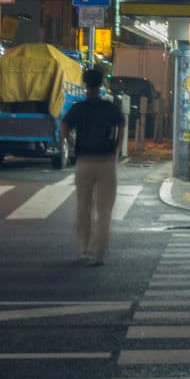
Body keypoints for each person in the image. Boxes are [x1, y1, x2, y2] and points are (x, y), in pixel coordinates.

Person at [60, 65, 125, 266]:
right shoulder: (110, 107)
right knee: (104, 209)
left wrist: (71, 144)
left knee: (83, 206)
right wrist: (115, 148)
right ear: (102, 84)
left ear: (85, 85)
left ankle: (84, 248)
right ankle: (99, 252)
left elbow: (64, 127)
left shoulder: (78, 108)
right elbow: (121, 126)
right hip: (106, 161)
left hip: (84, 161)